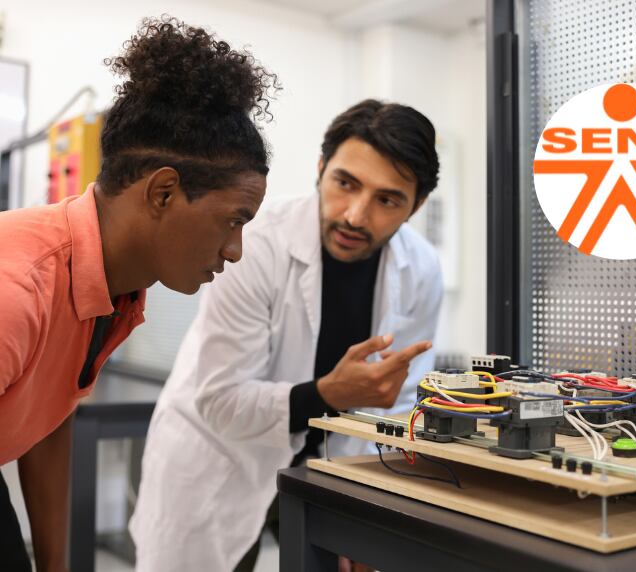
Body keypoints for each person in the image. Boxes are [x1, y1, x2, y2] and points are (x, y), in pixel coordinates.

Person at [0, 16, 276, 571]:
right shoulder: (19, 287)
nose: (236, 250)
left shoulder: (113, 290)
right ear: (164, 191)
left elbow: (48, 418)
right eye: (233, 221)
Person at [130, 99, 443, 571]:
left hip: (329, 474)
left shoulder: (420, 270)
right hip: (219, 460)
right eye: (345, 184)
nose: (356, 216)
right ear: (320, 169)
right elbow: (220, 401)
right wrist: (326, 394)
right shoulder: (254, 243)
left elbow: (398, 407)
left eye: (387, 199)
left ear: (415, 205)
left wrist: (372, 509)